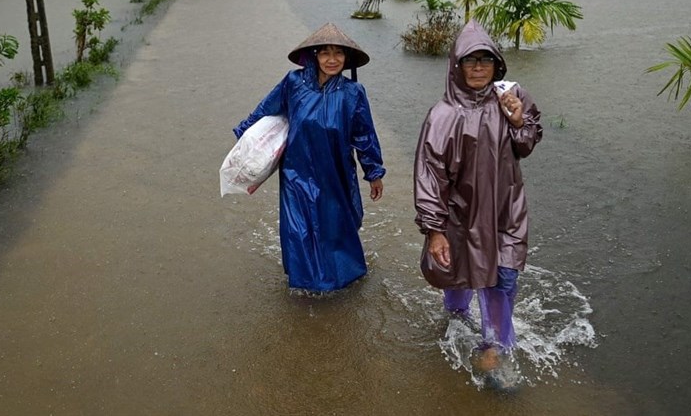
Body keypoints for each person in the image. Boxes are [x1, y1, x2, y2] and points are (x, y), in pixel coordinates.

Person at [413, 19, 543, 376]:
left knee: (503, 276)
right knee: (456, 273)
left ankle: (495, 347)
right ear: (456, 66)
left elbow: (528, 144)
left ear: (497, 64)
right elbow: (429, 175)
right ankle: (454, 316)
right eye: (471, 61)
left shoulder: (511, 99)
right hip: (460, 216)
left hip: (506, 211)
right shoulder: (441, 116)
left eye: (486, 60)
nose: (479, 68)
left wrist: (518, 121)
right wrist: (434, 229)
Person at [233, 23, 386, 292]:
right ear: (314, 55)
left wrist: (374, 172)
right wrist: (243, 140)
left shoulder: (353, 93)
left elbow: (364, 135)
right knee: (298, 228)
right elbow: (265, 111)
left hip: (335, 170)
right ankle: (304, 283)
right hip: (296, 170)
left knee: (335, 225)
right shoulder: (293, 82)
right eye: (325, 53)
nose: (332, 59)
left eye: (338, 54)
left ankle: (342, 278)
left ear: (346, 58)